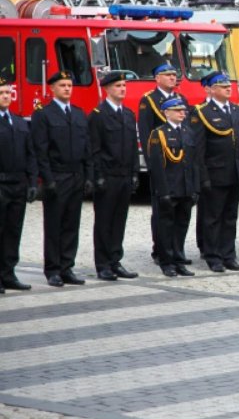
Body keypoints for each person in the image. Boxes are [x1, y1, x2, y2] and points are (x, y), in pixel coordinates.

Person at [31, 71, 94, 287]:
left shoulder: (78, 113)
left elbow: (87, 148)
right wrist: (47, 179)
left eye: (69, 85)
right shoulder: (44, 114)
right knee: (54, 224)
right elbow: (41, 149)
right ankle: (53, 269)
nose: (67, 88)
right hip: (57, 176)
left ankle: (67, 267)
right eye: (62, 85)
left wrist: (88, 176)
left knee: (71, 224)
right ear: (52, 89)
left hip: (76, 175)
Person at [191, 72, 239, 273]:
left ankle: (228, 255)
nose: (228, 88)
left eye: (229, 85)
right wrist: (203, 177)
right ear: (212, 89)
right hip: (215, 174)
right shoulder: (203, 112)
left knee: (230, 217)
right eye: (222, 86)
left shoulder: (238, 111)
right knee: (212, 217)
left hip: (234, 174)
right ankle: (213, 256)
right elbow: (198, 149)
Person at [89, 72, 141, 281]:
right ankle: (103, 264)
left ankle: (115, 260)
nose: (122, 89)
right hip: (108, 176)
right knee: (104, 221)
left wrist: (135, 172)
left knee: (119, 220)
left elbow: (131, 146)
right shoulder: (98, 115)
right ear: (107, 89)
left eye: (124, 85)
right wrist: (98, 176)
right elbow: (94, 148)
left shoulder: (128, 114)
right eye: (118, 85)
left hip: (124, 175)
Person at [139, 63, 189, 265]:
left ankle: (177, 250)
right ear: (157, 78)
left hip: (181, 164)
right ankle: (160, 250)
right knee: (162, 212)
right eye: (167, 75)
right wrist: (152, 163)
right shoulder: (149, 100)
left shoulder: (181, 99)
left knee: (181, 214)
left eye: (174, 75)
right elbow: (145, 132)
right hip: (163, 164)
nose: (172, 78)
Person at [147, 97, 199, 278]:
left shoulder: (188, 131)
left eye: (183, 110)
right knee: (165, 227)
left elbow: (194, 163)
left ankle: (178, 259)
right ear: (166, 112)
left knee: (181, 226)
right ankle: (166, 261)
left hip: (185, 188)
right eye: (177, 110)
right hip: (169, 189)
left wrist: (195, 188)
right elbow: (157, 166)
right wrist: (162, 191)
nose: (182, 113)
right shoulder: (159, 134)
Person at [0, 78, 38, 293]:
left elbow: (30, 154)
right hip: (1, 183)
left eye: (8, 92)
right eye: (2, 92)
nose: (6, 96)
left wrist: (33, 182)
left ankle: (8, 273)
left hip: (18, 184)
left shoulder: (19, 121)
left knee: (14, 230)